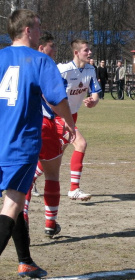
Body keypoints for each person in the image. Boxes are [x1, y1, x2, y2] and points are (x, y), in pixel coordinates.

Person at [0, 9, 75, 278]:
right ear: (28, 30)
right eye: (39, 27)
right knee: (12, 205)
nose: (41, 32)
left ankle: (25, 261)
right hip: (19, 145)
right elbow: (56, 98)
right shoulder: (40, 60)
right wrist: (69, 121)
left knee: (13, 201)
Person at [23, 31, 73, 238]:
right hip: (44, 123)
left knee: (23, 176)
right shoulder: (46, 63)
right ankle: (50, 223)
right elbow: (54, 98)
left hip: (20, 125)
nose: (55, 50)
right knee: (52, 173)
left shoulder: (13, 61)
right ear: (41, 47)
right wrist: (70, 124)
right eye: (52, 46)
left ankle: (21, 219)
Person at [55, 39, 101, 201]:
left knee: (56, 153)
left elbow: (95, 93)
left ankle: (31, 180)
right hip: (58, 116)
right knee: (81, 144)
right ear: (76, 53)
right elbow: (54, 97)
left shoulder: (90, 69)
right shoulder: (64, 70)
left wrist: (93, 101)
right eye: (86, 51)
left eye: (89, 50)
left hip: (72, 115)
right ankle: (74, 189)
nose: (90, 53)